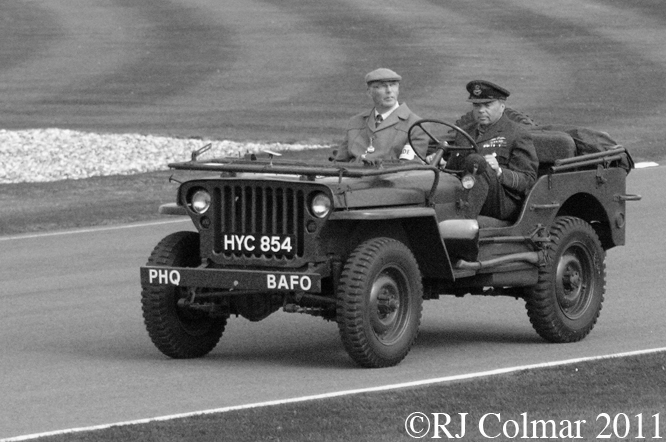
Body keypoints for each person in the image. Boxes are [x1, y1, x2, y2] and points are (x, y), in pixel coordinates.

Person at [446, 80, 538, 221]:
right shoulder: (464, 133)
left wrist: (499, 172)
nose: (481, 110)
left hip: (502, 200)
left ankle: (463, 221)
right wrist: (441, 164)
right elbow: (453, 170)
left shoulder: (517, 133)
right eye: (476, 105)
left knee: (477, 162)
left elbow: (528, 180)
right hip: (466, 192)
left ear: (502, 106)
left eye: (487, 105)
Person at [331, 68, 427, 164]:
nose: (389, 91)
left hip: (387, 177)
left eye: (393, 85)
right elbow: (339, 162)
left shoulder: (416, 125)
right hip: (351, 176)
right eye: (381, 86)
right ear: (369, 92)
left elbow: (408, 168)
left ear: (398, 89)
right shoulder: (356, 121)